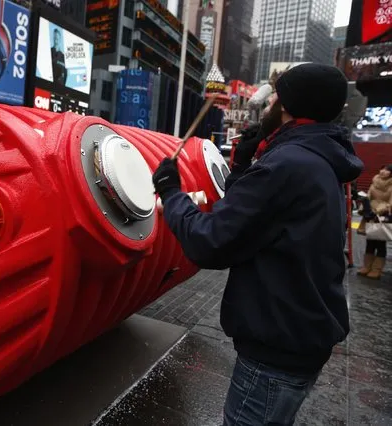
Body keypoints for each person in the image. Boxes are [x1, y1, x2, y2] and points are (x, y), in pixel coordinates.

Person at [152, 63, 363, 425]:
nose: (265, 108)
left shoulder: (285, 166)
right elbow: (254, 220)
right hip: (298, 337)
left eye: (272, 100)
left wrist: (172, 195)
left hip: (276, 351)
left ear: (287, 108)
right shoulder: (317, 159)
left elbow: (211, 242)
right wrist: (242, 165)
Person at [357, 165, 392, 279]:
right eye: (383, 169)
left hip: (382, 216)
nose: (383, 171)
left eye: (387, 170)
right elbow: (368, 196)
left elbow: (390, 203)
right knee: (370, 241)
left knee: (380, 242)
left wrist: (378, 211)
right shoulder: (375, 181)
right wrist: (365, 208)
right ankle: (367, 266)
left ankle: (376, 269)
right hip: (370, 215)